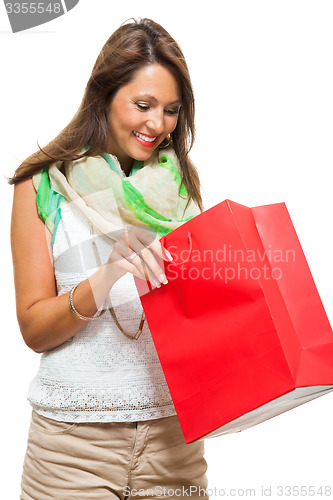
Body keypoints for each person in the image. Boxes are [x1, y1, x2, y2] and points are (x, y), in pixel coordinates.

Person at [9, 17, 209, 499]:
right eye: (143, 105)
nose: (157, 125)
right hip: (70, 452)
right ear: (103, 96)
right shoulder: (41, 185)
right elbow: (34, 329)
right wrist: (108, 273)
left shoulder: (179, 187)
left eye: (171, 110)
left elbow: (201, 319)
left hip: (175, 444)